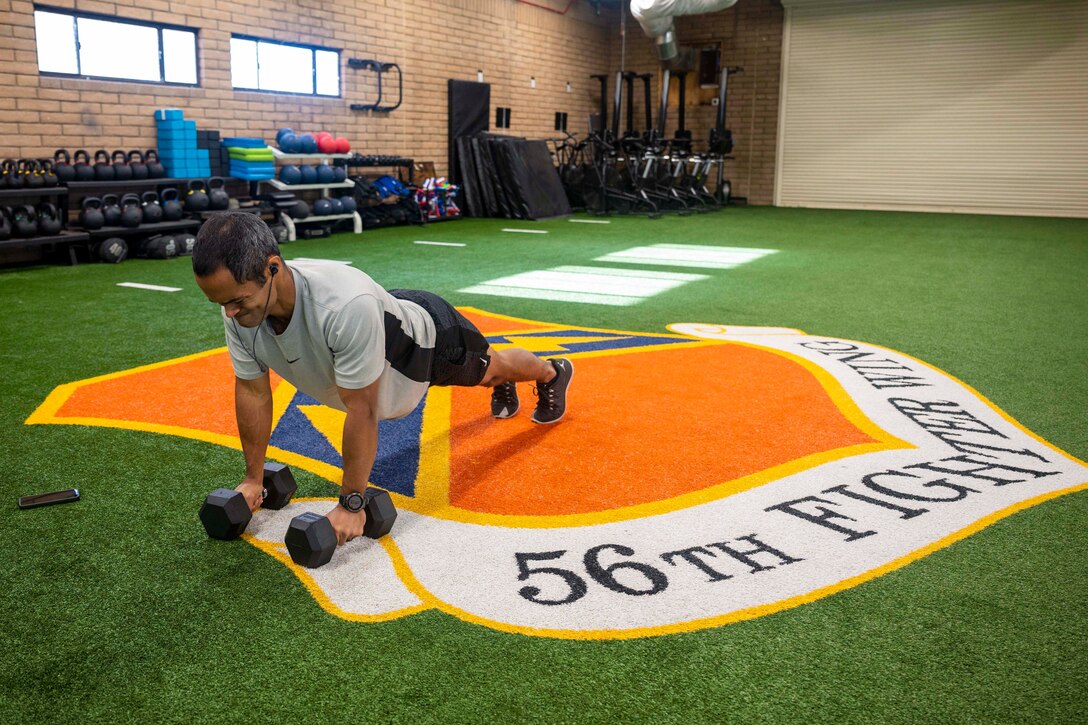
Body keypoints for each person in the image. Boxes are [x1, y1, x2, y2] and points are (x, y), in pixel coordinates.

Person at [192, 212, 572, 548]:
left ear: (272, 267)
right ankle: (507, 379)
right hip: (379, 319)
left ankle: (552, 373)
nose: (228, 312)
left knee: (495, 369)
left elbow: (363, 407)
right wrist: (252, 479)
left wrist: (352, 503)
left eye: (237, 300)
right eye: (220, 303)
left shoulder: (342, 307)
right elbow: (252, 390)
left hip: (428, 343)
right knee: (490, 373)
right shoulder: (240, 312)